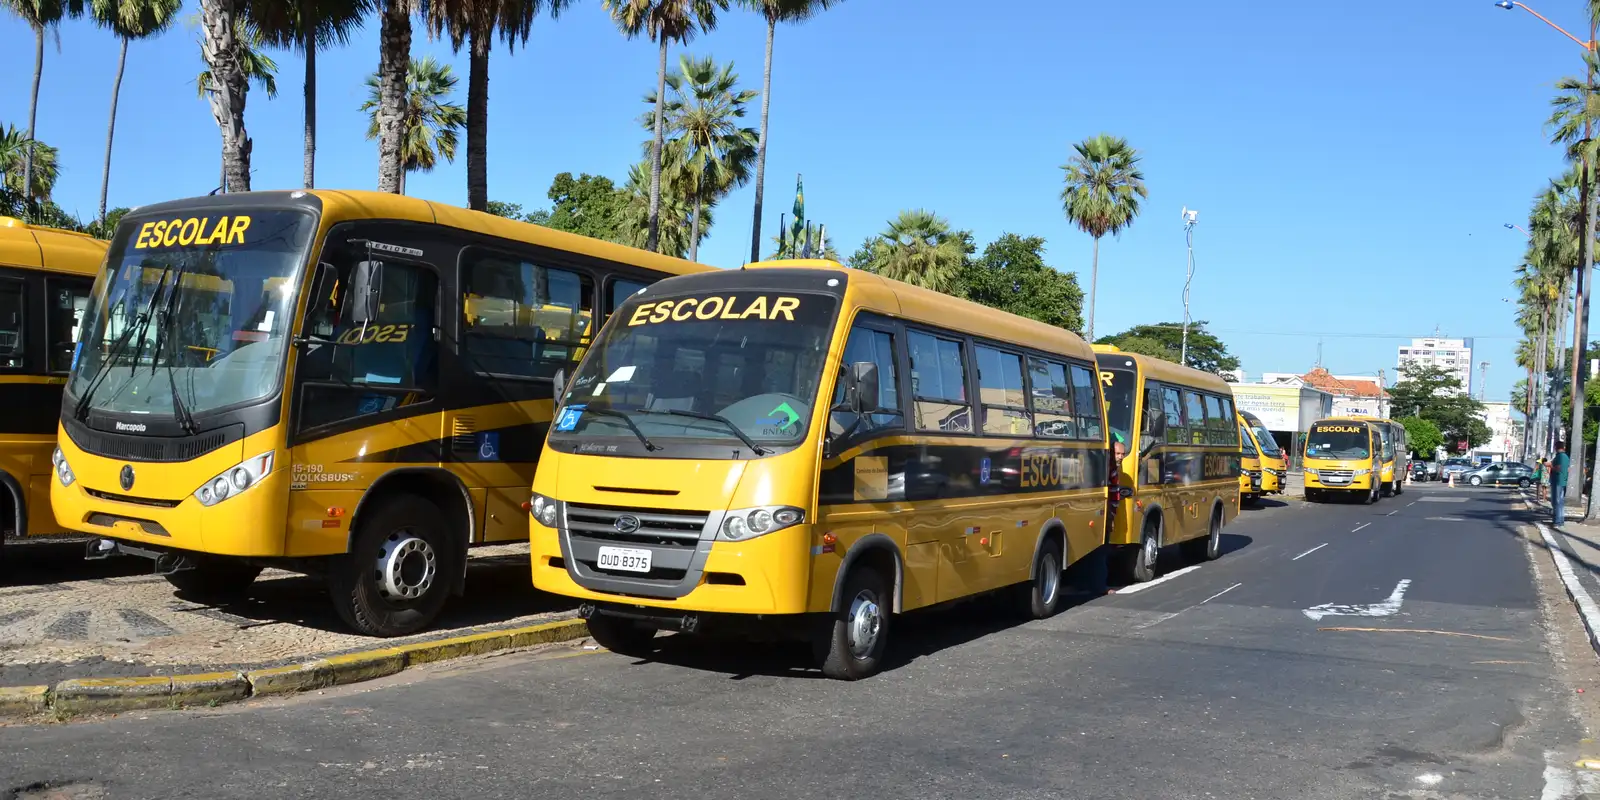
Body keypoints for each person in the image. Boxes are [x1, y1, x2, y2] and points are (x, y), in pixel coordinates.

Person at [1551, 444, 1571, 528]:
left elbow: (1558, 468)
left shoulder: (1559, 456)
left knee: (1556, 502)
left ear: (1556, 448)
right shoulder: (1566, 457)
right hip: (1563, 481)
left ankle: (1557, 521)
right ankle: (1561, 521)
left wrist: (1550, 466)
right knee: (1561, 502)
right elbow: (1568, 469)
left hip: (1558, 481)